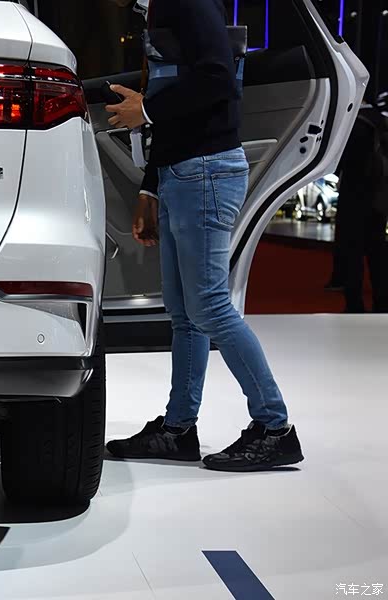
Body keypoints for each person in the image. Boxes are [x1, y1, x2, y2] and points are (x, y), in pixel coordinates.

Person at [104, 0, 304, 471]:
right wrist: (150, 187)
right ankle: (178, 430)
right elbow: (178, 95)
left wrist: (145, 108)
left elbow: (217, 78)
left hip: (206, 171)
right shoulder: (160, 9)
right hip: (183, 173)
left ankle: (275, 428)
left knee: (209, 307)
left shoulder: (187, 2)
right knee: (185, 316)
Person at [335, 101, 388, 314]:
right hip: (378, 196)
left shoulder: (351, 123)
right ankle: (382, 301)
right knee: (378, 252)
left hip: (354, 195)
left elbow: (341, 162)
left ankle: (354, 303)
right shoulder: (380, 120)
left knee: (353, 253)